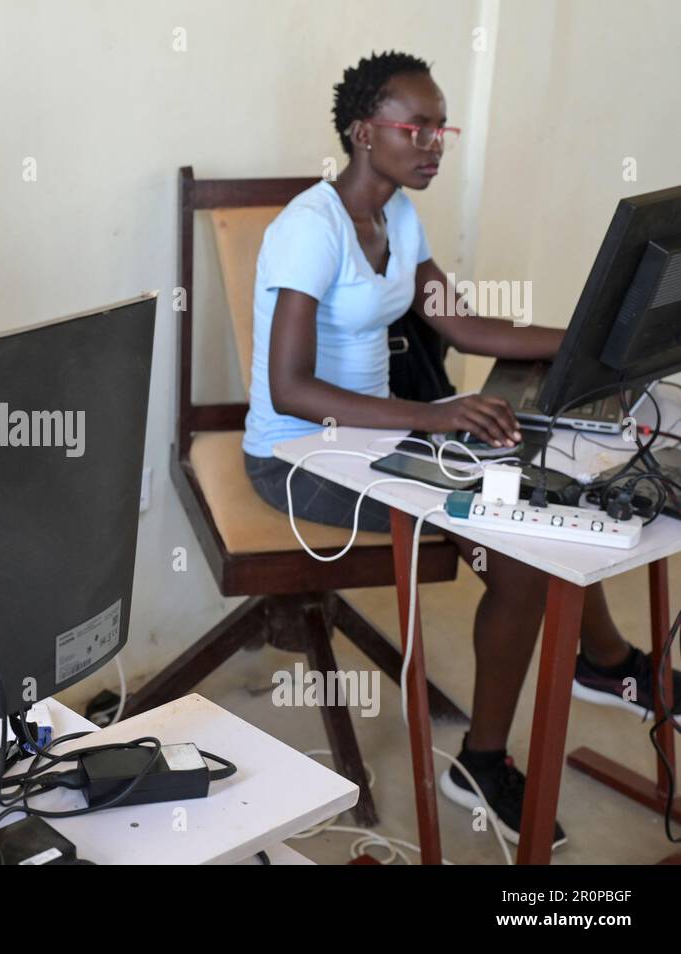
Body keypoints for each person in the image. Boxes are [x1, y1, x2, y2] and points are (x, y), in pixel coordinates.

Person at [243, 50, 680, 848]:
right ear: (361, 132)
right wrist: (433, 418)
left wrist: (600, 347)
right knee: (520, 557)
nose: (433, 143)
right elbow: (290, 392)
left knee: (549, 499)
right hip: (304, 459)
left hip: (382, 432)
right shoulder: (308, 231)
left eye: (441, 127)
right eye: (416, 127)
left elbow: (463, 324)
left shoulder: (397, 215)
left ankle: (603, 665)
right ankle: (493, 751)